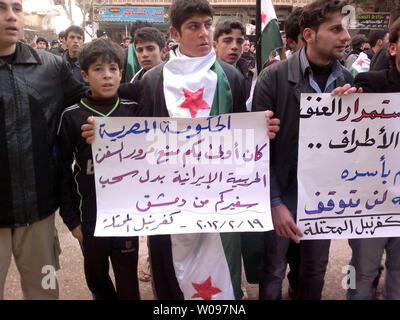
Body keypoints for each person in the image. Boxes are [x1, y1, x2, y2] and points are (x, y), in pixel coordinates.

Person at [82, 0, 279, 300]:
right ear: (175, 32)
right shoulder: (153, 79)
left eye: (208, 24)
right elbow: (138, 134)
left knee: (219, 279)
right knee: (170, 278)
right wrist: (102, 131)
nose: (204, 33)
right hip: (167, 202)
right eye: (193, 26)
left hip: (218, 199)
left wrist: (260, 132)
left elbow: (241, 135)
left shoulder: (232, 77)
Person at [252, 0, 355, 300]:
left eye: (345, 29)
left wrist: (347, 114)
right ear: (309, 35)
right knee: (272, 272)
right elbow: (260, 151)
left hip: (324, 200)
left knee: (314, 270)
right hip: (282, 196)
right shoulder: (272, 78)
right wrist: (275, 203)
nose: (345, 37)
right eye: (336, 29)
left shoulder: (347, 80)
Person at [0, 0, 86, 300]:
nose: (11, 16)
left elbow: (88, 103)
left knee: (44, 292)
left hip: (39, 211)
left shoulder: (51, 67)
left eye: (17, 7)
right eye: (1, 7)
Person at [57, 38, 141, 300]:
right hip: (89, 217)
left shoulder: (135, 112)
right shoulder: (72, 115)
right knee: (96, 276)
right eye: (98, 69)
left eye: (113, 69)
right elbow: (61, 171)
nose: (107, 76)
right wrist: (72, 220)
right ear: (84, 75)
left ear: (121, 73)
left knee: (128, 279)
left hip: (127, 215)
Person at [340, 17, 400, 300]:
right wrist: (338, 104)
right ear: (392, 48)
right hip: (371, 201)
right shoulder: (369, 84)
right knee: (361, 271)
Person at [213, 20, 253, 100]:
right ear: (215, 46)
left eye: (239, 41)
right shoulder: (207, 77)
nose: (234, 46)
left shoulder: (250, 76)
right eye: (227, 41)